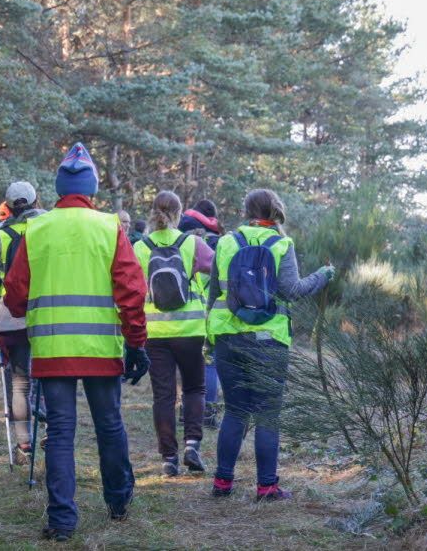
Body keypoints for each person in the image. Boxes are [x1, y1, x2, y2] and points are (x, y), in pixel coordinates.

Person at [4, 144, 149, 541]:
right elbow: (132, 291)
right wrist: (136, 343)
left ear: (57, 188)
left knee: (61, 434)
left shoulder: (37, 229)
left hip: (52, 352)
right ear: (93, 188)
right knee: (109, 425)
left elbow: (15, 296)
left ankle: (62, 520)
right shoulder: (108, 226)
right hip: (101, 350)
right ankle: (118, 501)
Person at [207, 189, 334, 501]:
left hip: (227, 337)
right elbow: (292, 291)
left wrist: (210, 337)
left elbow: (213, 293)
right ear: (275, 212)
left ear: (247, 210)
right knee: (267, 414)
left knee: (235, 411)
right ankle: (266, 486)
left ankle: (222, 483)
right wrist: (323, 275)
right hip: (269, 343)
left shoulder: (225, 242)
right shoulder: (281, 244)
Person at [134, 191, 214, 477]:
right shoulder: (193, 243)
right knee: (194, 388)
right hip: (191, 329)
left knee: (163, 396)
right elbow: (216, 270)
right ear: (179, 214)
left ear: (153, 211)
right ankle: (192, 444)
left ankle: (169, 459)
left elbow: (133, 289)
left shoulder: (141, 248)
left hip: (155, 332)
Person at [0, 181, 46, 465]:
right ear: (36, 199)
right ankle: (53, 433)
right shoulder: (50, 228)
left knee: (20, 383)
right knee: (51, 376)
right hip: (49, 316)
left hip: (12, 319)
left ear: (8, 206)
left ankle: (24, 445)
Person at [178, 199, 225, 427]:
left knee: (188, 363)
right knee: (209, 363)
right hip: (213, 309)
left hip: (187, 308)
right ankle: (207, 414)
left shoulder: (184, 241)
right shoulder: (220, 243)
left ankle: (186, 411)